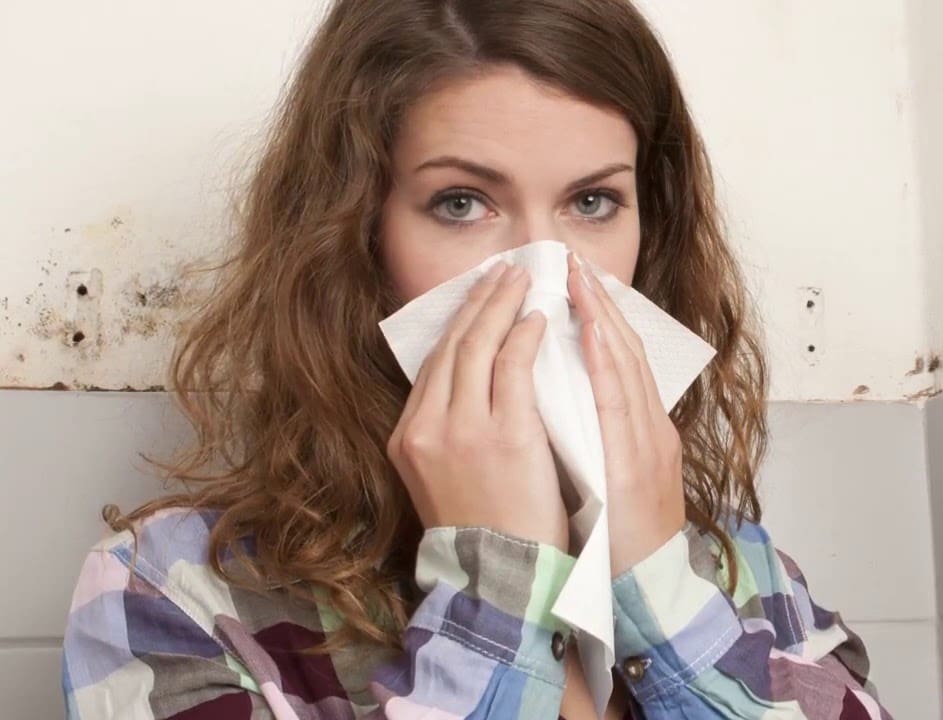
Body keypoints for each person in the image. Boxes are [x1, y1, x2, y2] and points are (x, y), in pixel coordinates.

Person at [60, 1, 893, 718]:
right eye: (462, 203)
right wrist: (496, 589)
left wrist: (658, 587)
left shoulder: (748, 582)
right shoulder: (176, 594)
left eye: (593, 202)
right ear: (358, 241)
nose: (547, 279)